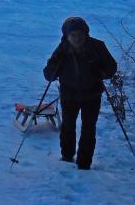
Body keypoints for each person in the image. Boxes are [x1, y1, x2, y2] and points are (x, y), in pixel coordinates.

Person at [43, 17, 117, 170]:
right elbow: (48, 74)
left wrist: (100, 72)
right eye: (73, 35)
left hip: (92, 94)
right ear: (67, 36)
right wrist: (55, 65)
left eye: (80, 34)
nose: (77, 38)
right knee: (68, 126)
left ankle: (84, 163)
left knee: (89, 128)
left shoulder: (97, 46)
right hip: (69, 94)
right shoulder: (62, 49)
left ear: (86, 34)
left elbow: (111, 67)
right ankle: (67, 156)